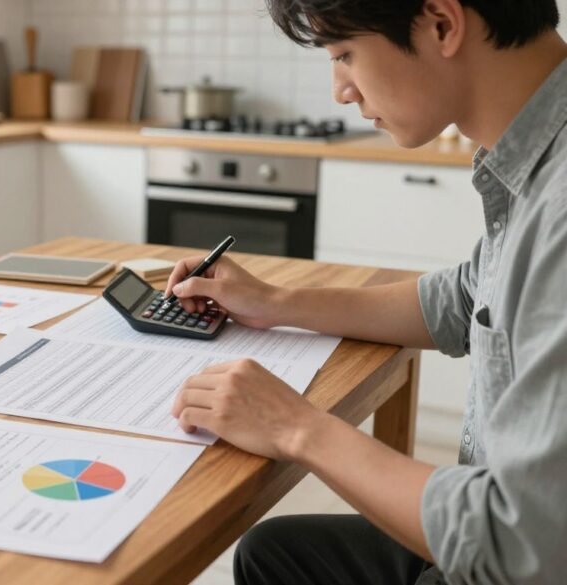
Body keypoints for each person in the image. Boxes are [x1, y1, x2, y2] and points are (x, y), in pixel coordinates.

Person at [164, 1, 567, 583]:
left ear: (441, 24)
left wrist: (297, 427)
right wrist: (273, 303)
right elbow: (459, 300)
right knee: (269, 553)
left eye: (345, 55)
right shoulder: (537, 159)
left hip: (511, 553)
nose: (340, 91)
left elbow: (520, 542)